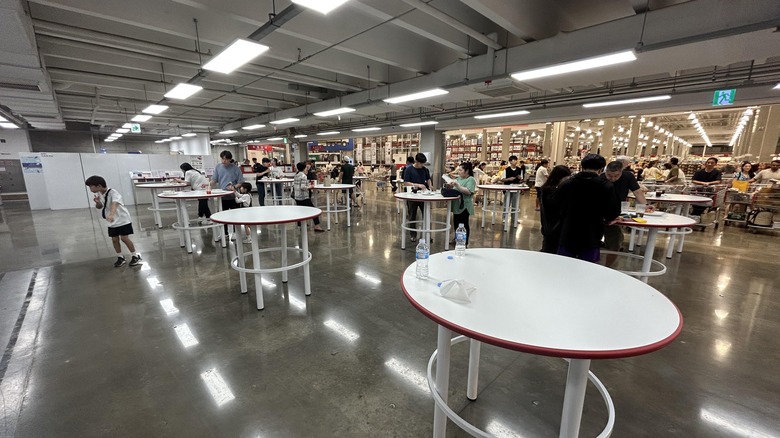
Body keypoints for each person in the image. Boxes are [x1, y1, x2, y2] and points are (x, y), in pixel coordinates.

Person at [552, 154, 620, 263]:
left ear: (582, 166)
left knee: (563, 265)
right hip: (591, 233)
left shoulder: (567, 183)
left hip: (568, 231)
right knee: (588, 267)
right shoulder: (606, 186)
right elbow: (612, 212)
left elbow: (555, 204)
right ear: (601, 169)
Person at [85, 175, 142, 267]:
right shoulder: (100, 194)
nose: (90, 189)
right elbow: (100, 207)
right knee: (114, 239)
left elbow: (115, 204)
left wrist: (111, 214)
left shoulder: (113, 192)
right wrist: (98, 202)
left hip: (123, 219)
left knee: (124, 238)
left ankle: (135, 256)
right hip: (112, 221)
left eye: (91, 186)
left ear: (99, 186)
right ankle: (120, 257)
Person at [539, 165, 572, 253]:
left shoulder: (547, 188)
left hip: (549, 226)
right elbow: (557, 206)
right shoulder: (552, 190)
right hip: (554, 226)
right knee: (551, 250)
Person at [211, 150, 244, 233]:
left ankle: (236, 232)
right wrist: (207, 184)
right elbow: (214, 180)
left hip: (234, 196)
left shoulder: (236, 169)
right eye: (222, 159)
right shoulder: (218, 167)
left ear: (230, 159)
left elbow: (240, 182)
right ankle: (224, 233)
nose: (223, 161)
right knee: (222, 215)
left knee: (236, 215)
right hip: (222, 196)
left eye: (226, 159)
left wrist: (234, 187)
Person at [444, 162, 476, 246]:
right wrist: (450, 185)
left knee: (463, 224)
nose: (459, 172)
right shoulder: (458, 179)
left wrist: (457, 185)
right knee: (456, 223)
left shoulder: (471, 179)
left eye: (461, 170)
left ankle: (464, 242)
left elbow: (468, 191)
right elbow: (455, 189)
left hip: (464, 205)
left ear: (467, 171)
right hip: (456, 205)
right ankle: (456, 238)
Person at [403, 153, 433, 242]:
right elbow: (406, 182)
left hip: (424, 195)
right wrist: (417, 185)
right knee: (412, 215)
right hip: (412, 195)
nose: (422, 165)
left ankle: (427, 234)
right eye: (421, 163)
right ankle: (413, 234)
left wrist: (430, 186)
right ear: (416, 161)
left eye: (423, 163)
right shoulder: (408, 169)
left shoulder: (425, 169)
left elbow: (428, 179)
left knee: (427, 215)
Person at [293, 162, 324, 232]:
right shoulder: (303, 176)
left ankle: (300, 225)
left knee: (300, 211)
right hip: (303, 197)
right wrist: (310, 186)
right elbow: (303, 187)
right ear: (304, 168)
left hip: (297, 196)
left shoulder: (296, 175)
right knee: (314, 210)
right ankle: (317, 226)